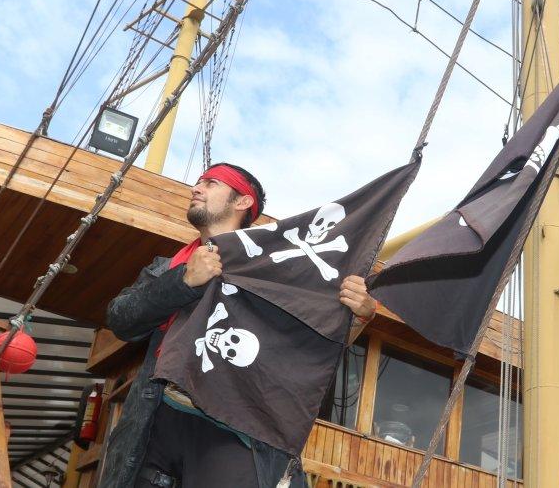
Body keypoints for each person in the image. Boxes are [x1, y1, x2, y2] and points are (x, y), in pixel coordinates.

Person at [98, 163, 377, 488]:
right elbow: (121, 320)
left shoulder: (277, 270)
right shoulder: (169, 267)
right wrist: (184, 282)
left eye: (211, 183)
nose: (196, 188)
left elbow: (309, 341)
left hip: (236, 428)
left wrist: (356, 318)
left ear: (243, 202)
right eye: (199, 182)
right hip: (157, 416)